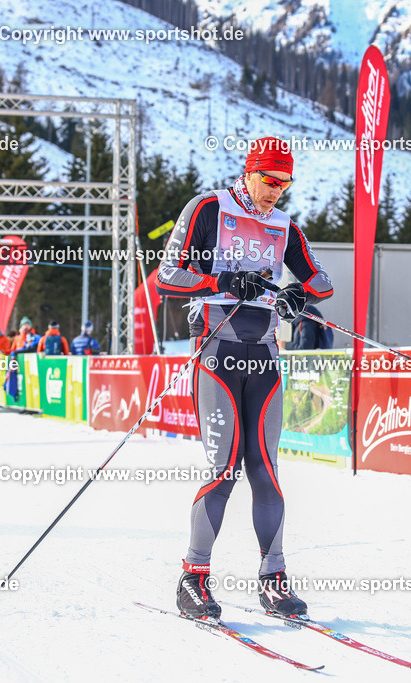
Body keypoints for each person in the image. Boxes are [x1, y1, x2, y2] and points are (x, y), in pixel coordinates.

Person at [156, 136, 332, 619]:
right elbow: (166, 277)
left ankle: (273, 580)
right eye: (269, 180)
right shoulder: (208, 208)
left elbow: (322, 281)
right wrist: (222, 281)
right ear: (249, 172)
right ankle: (193, 579)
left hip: (264, 357)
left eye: (285, 182)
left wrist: (299, 296)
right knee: (224, 466)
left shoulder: (285, 226)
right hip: (217, 353)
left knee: (266, 469)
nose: (276, 191)